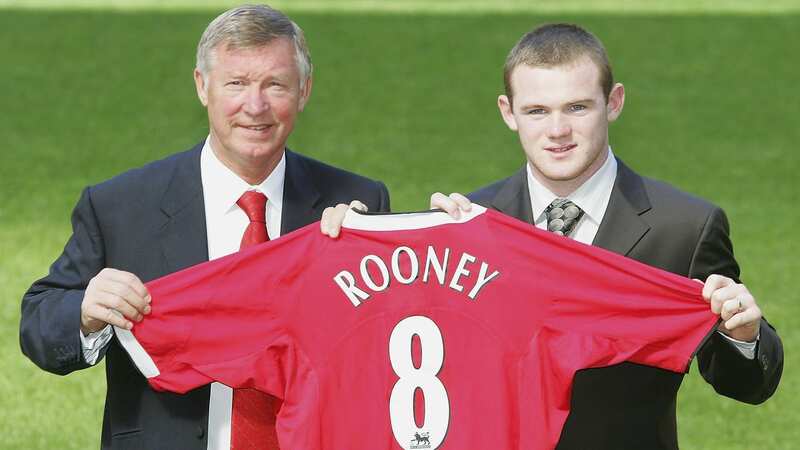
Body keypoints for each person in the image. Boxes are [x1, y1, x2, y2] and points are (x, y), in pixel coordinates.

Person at [322, 23, 783, 449]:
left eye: (577, 107)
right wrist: (353, 240)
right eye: (537, 111)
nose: (557, 131)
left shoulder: (684, 227)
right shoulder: (467, 225)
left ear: (614, 102)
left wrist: (742, 336)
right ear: (508, 112)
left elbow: (747, 386)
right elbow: (388, 347)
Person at [20, 5, 388, 450]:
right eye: (236, 83)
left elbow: (400, 336)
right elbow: (39, 320)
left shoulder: (357, 204)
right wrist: (85, 311)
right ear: (202, 86)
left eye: (275, 84)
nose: (255, 106)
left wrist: (451, 224)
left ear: (304, 91)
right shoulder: (121, 205)